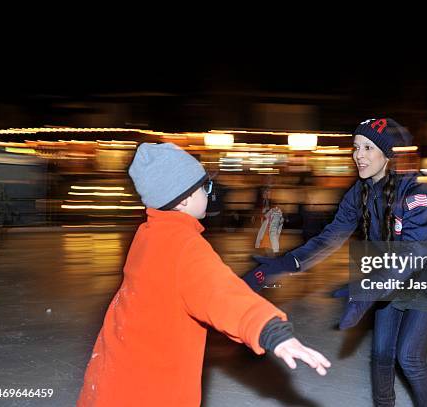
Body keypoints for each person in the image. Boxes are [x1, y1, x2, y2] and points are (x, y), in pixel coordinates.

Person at [78, 143, 330, 407]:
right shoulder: (184, 246)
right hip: (152, 389)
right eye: (205, 187)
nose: (209, 195)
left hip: (113, 378)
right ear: (184, 198)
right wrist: (270, 330)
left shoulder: (147, 235)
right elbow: (220, 293)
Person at [243, 119, 427, 406]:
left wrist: (369, 290)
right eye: (355, 148)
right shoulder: (358, 192)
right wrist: (285, 264)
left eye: (367, 147)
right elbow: (331, 238)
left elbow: (415, 252)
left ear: (387, 154)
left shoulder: (414, 190)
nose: (358, 155)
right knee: (381, 356)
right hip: (389, 277)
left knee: (408, 357)